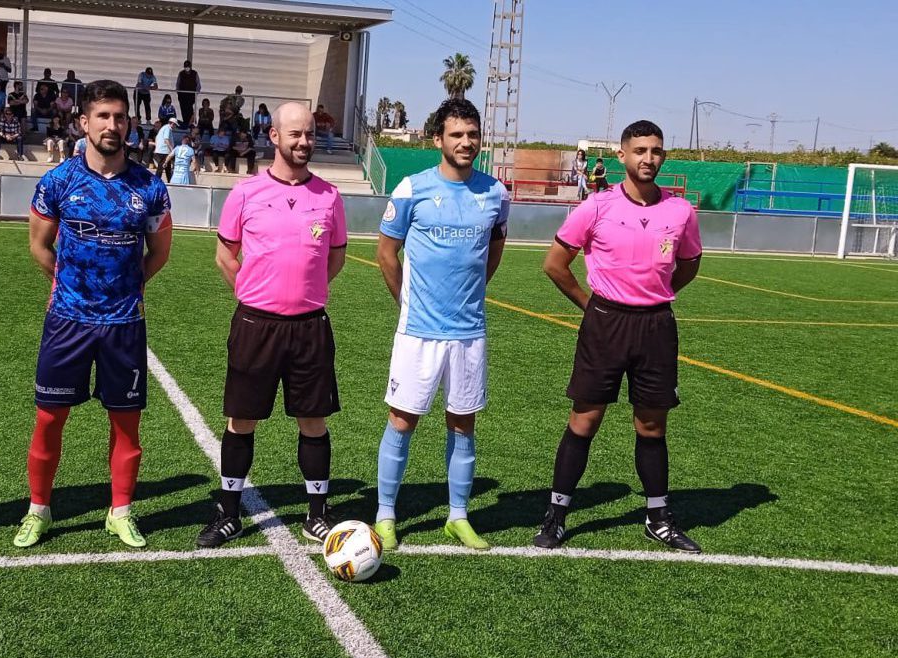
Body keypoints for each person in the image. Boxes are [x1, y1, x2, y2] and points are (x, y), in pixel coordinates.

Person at [533, 120, 703, 554]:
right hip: (604, 324)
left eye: (657, 151)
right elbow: (555, 263)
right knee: (584, 421)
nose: (649, 158)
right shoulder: (596, 206)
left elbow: (688, 264)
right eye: (641, 150)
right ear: (623, 156)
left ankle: (658, 517)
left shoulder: (680, 211)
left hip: (656, 327)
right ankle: (555, 515)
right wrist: (590, 304)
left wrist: (657, 296)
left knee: (651, 425)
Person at [17, 79, 173, 549]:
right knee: (49, 418)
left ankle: (120, 511)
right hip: (67, 320)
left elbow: (160, 253)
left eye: (120, 117)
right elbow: (40, 247)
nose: (112, 125)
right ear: (83, 123)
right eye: (103, 116)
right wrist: (67, 286)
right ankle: (38, 510)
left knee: (126, 423)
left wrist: (127, 288)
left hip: (124, 323)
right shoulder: (58, 181)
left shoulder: (149, 187)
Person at [197, 102, 347, 548]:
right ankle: (228, 513)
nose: (304, 142)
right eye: (295, 134)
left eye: (310, 136)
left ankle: (316, 514)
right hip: (254, 325)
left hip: (310, 327)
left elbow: (334, 258)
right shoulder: (245, 193)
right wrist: (253, 292)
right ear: (275, 137)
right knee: (241, 420)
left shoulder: (330, 196)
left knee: (314, 422)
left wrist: (303, 291)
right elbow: (225, 255)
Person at [372, 98, 510, 551]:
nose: (466, 142)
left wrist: (471, 295)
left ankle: (458, 516)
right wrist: (406, 303)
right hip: (419, 332)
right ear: (438, 140)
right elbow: (386, 255)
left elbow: (493, 251)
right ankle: (386, 516)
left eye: (472, 134)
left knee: (463, 423)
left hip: (469, 333)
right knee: (402, 419)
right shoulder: (412, 189)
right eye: (456, 135)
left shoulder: (495, 193)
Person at [174, 59, 200, 125]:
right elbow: (178, 84)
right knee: (183, 110)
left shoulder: (195, 73)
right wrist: (179, 92)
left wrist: (196, 93)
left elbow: (198, 84)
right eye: (185, 66)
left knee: (189, 109)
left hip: (191, 95)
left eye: (188, 66)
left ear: (190, 66)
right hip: (182, 95)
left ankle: (191, 123)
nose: (187, 68)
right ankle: (186, 123)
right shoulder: (181, 73)